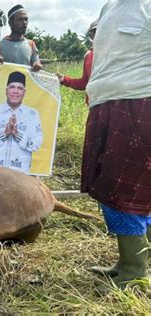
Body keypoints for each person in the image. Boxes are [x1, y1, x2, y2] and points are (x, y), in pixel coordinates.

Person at [82, 0, 150, 290]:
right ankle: (127, 261)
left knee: (129, 189)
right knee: (110, 185)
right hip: (106, 105)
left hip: (140, 102)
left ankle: (135, 270)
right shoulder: (110, 7)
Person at [0, 71, 43, 173]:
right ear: (6, 90)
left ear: (24, 92)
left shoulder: (32, 114)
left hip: (20, 175)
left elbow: (36, 144)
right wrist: (5, 134)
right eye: (12, 87)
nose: (15, 91)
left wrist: (17, 134)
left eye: (19, 88)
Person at [0, 4, 42, 71]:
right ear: (10, 23)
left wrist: (37, 65)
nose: (24, 23)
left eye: (26, 19)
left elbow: (36, 63)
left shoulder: (31, 45)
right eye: (20, 20)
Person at [56, 20, 97, 105]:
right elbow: (84, 83)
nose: (97, 34)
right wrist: (64, 79)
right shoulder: (88, 56)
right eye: (94, 32)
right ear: (91, 35)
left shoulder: (115, 53)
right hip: (94, 105)